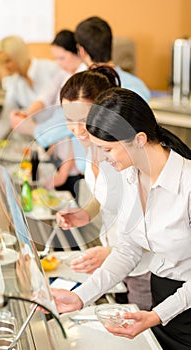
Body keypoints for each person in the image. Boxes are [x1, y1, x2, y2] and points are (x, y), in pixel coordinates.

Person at [51, 87, 191, 350]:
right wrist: (80, 297)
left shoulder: (188, 185)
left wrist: (156, 315)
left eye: (107, 149)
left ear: (138, 139)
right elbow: (127, 250)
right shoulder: (131, 175)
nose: (102, 158)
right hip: (161, 296)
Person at [57, 65, 152, 310]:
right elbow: (103, 195)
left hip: (145, 269)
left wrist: (110, 252)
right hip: (117, 264)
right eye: (69, 120)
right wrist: (85, 213)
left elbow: (154, 227)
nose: (77, 130)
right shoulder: (93, 149)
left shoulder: (125, 156)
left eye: (83, 120)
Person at [10, 16, 150, 153]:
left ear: (81, 50)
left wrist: (31, 128)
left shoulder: (86, 89)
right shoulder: (138, 85)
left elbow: (63, 123)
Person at [10, 30, 87, 137]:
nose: (58, 63)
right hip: (57, 130)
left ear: (77, 53)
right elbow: (45, 97)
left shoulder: (85, 76)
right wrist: (26, 114)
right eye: (56, 58)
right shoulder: (64, 73)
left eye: (62, 58)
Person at [0, 35, 60, 147]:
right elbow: (6, 119)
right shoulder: (14, 82)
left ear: (19, 56)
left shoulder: (50, 69)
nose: (5, 66)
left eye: (8, 61)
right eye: (1, 63)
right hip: (39, 140)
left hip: (60, 137)